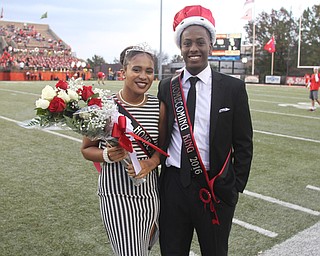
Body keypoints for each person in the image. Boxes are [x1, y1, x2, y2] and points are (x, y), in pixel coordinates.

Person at [156, 5, 253, 256]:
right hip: (174, 186)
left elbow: (243, 143)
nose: (193, 48)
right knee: (172, 251)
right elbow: (161, 135)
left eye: (200, 42)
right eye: (187, 43)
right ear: (181, 48)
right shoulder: (167, 87)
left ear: (211, 44)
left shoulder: (232, 88)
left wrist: (234, 186)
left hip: (215, 186)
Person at [81, 46, 160, 256]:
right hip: (115, 194)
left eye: (149, 71)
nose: (143, 76)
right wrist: (107, 155)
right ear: (123, 72)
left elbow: (163, 149)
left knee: (144, 249)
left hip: (149, 193)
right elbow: (86, 149)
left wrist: (150, 163)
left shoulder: (158, 106)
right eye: (136, 69)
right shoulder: (104, 106)